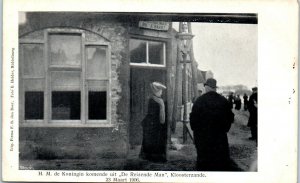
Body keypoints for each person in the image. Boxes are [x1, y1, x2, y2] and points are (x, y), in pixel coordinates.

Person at [190, 78, 239, 171]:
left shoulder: (199, 100)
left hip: (203, 136)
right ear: (215, 88)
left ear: (207, 87)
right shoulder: (223, 100)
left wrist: (197, 131)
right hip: (219, 136)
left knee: (204, 161)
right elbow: (230, 117)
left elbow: (193, 119)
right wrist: (224, 129)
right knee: (219, 160)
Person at [139, 81, 167, 162]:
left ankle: (155, 156)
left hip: (155, 123)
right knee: (152, 140)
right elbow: (152, 113)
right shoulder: (154, 100)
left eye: (161, 91)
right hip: (153, 123)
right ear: (156, 91)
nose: (161, 92)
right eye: (160, 91)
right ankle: (152, 157)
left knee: (156, 140)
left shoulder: (158, 100)